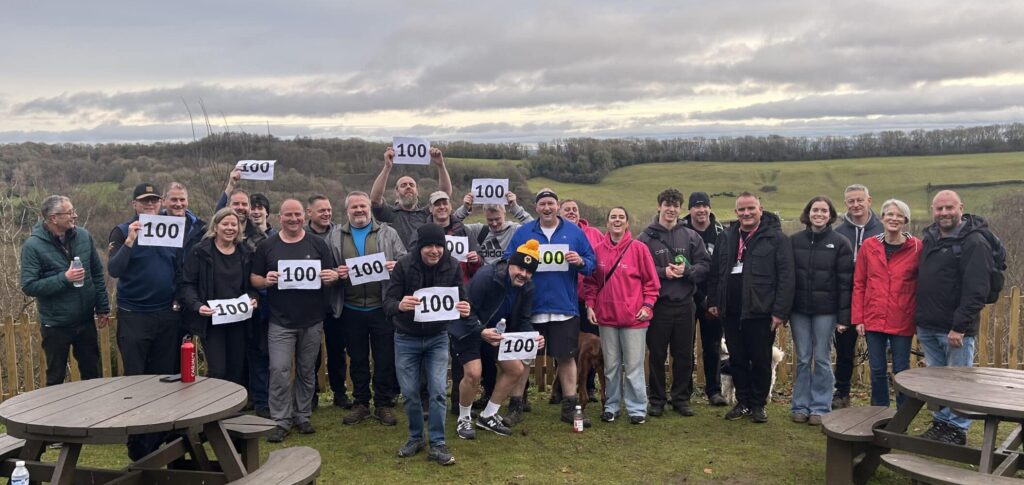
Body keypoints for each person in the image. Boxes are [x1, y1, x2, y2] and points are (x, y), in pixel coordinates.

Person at [505, 189, 597, 427]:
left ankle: (569, 407)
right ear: (536, 208)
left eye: (551, 204)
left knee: (566, 358)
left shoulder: (574, 232)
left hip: (563, 307)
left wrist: (581, 262)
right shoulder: (524, 232)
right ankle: (516, 405)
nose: (547, 208)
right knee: (524, 357)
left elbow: (591, 263)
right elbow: (508, 261)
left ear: (558, 207)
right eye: (542, 204)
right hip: (530, 306)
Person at [250, 199, 339, 443]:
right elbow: (254, 279)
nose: (293, 219)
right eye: (288, 215)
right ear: (280, 217)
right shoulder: (267, 246)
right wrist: (266, 280)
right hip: (280, 321)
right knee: (279, 369)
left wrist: (331, 277)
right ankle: (280, 419)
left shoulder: (318, 244)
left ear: (304, 216)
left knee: (307, 370)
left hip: (312, 320)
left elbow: (330, 275)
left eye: (297, 215)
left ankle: (302, 415)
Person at [385, 223, 471, 465]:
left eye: (439, 246)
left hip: (437, 338)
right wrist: (400, 305)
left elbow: (462, 299)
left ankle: (438, 442)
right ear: (419, 247)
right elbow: (388, 301)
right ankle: (415, 437)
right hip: (406, 337)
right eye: (429, 246)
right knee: (410, 393)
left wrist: (465, 308)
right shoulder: (403, 265)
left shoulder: (452, 265)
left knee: (438, 392)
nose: (434, 251)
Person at [107, 182, 182, 459]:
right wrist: (129, 242)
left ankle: (159, 438)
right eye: (144, 201)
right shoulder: (123, 230)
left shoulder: (170, 228)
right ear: (134, 205)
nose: (150, 205)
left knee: (163, 377)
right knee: (137, 380)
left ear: (161, 203)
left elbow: (179, 267)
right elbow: (114, 269)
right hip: (133, 315)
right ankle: (137, 443)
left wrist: (177, 299)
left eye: (154, 201)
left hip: (165, 314)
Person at [915, 190, 995, 445]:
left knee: (958, 380)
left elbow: (976, 290)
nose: (944, 213)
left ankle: (957, 429)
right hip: (928, 325)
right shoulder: (930, 237)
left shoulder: (974, 242)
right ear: (932, 210)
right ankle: (941, 424)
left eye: (949, 208)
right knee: (938, 382)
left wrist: (959, 327)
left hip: (955, 329)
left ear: (961, 207)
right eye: (939, 209)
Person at [707, 192, 794, 424]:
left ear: (760, 209)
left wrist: (779, 311)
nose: (746, 213)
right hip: (731, 310)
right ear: (736, 212)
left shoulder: (776, 239)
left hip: (761, 310)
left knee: (761, 359)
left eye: (751, 209)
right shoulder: (726, 237)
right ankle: (742, 401)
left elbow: (786, 277)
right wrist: (714, 301)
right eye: (741, 210)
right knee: (737, 358)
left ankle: (758, 403)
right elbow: (715, 271)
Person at [328, 191, 406, 426]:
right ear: (347, 211)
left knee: (384, 358)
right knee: (358, 358)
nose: (359, 211)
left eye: (363, 206)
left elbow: (405, 259)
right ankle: (361, 403)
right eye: (354, 208)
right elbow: (327, 268)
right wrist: (336, 273)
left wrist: (397, 265)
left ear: (369, 209)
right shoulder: (334, 236)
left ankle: (383, 404)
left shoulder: (388, 232)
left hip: (381, 307)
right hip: (351, 308)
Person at [451, 191, 533, 408]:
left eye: (498, 219)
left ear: (504, 214)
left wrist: (516, 207)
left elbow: (533, 226)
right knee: (478, 364)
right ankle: (466, 410)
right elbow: (453, 225)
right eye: (490, 220)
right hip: (483, 289)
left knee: (506, 361)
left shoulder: (515, 230)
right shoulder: (479, 229)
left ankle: (493, 408)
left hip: (506, 292)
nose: (495, 223)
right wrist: (465, 208)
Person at [456, 240, 543, 439]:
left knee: (516, 369)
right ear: (510, 264)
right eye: (520, 267)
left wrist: (533, 337)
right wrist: (481, 331)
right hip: (469, 329)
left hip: (497, 335)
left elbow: (523, 320)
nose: (524, 274)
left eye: (529, 271)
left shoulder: (528, 287)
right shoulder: (486, 276)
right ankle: (464, 418)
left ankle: (488, 415)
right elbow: (465, 309)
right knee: (474, 373)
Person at [637, 189, 711, 417]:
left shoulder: (690, 236)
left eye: (675, 205)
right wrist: (662, 272)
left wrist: (688, 270)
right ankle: (657, 399)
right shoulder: (645, 238)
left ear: (680, 209)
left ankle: (680, 398)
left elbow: (705, 265)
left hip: (685, 305)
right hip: (658, 306)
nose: (671, 209)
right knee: (657, 354)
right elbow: (638, 270)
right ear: (659, 206)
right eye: (667, 204)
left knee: (684, 354)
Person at [20, 195, 109, 386]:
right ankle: (54, 416)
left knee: (92, 375)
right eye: (69, 213)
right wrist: (64, 279)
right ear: (53, 218)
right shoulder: (32, 246)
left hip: (85, 321)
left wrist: (102, 307)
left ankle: (93, 415)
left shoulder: (84, 236)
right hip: (55, 324)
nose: (74, 216)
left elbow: (97, 273)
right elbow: (29, 286)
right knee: (55, 378)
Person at [585, 207, 661, 424]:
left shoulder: (639, 249)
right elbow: (591, 283)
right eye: (613, 217)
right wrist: (590, 305)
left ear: (627, 223)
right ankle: (611, 406)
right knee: (610, 366)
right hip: (606, 318)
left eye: (621, 217)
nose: (616, 221)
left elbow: (651, 283)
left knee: (634, 366)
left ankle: (637, 408)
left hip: (634, 319)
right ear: (607, 223)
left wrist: (647, 306)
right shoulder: (598, 250)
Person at [789, 196, 854, 426]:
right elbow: (787, 278)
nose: (819, 214)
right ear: (808, 213)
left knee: (823, 358)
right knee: (804, 358)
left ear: (830, 215)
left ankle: (820, 407)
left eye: (824, 210)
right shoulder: (794, 241)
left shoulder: (840, 243)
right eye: (815, 210)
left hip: (826, 311)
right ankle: (800, 405)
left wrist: (844, 317)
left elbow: (846, 283)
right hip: (799, 310)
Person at [851, 199, 919, 411]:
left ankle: (902, 414)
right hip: (874, 317)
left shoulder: (917, 247)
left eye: (899, 215)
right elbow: (859, 283)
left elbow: (922, 283)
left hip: (903, 317)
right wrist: (858, 318)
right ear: (882, 218)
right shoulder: (869, 246)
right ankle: (878, 411)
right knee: (877, 369)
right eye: (890, 214)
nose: (894, 219)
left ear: (905, 220)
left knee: (901, 369)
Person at [178, 208, 258, 386]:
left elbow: (252, 286)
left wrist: (253, 299)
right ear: (216, 226)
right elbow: (187, 284)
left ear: (239, 228)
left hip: (239, 320)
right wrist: (198, 306)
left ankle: (234, 409)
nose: (229, 228)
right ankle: (216, 409)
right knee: (217, 370)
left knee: (237, 368)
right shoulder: (200, 252)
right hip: (212, 321)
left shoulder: (245, 252)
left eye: (233, 224)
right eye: (225, 224)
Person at [832, 184, 883, 409]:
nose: (856, 205)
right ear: (846, 204)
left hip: (875, 299)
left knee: (878, 352)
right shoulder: (838, 233)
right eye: (851, 201)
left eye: (859, 200)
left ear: (869, 200)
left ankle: (879, 397)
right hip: (845, 299)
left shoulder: (882, 229)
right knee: (844, 350)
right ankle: (842, 392)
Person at [549, 198, 602, 405]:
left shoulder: (594, 234)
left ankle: (588, 387)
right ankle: (560, 388)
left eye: (575, 209)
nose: (572, 212)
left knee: (591, 347)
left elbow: (597, 264)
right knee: (563, 347)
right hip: (563, 300)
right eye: (567, 209)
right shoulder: (554, 234)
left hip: (587, 300)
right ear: (559, 213)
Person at [680, 191, 728, 406]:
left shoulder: (721, 233)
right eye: (696, 206)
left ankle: (714, 391)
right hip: (687, 296)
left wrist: (713, 299)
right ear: (689, 210)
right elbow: (681, 268)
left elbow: (723, 268)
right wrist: (700, 297)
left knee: (712, 347)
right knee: (684, 347)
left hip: (714, 300)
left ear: (709, 208)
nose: (701, 210)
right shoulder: (680, 232)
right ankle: (684, 392)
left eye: (704, 205)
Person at [305, 195, 350, 410]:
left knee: (336, 350)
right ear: (309, 213)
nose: (326, 214)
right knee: (311, 353)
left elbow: (349, 265)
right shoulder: (301, 235)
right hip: (310, 303)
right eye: (321, 210)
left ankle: (339, 393)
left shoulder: (341, 233)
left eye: (329, 209)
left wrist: (339, 275)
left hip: (336, 301)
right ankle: (311, 394)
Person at [370, 146, 453, 246]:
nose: (408, 187)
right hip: (396, 261)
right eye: (403, 185)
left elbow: (444, 194)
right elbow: (375, 199)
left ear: (417, 191)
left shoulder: (426, 214)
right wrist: (387, 167)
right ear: (396, 192)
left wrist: (440, 165)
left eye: (412, 185)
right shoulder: (389, 214)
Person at [246, 192, 275, 417]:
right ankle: (260, 400)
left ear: (267, 211)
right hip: (252, 303)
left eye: (260, 207)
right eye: (252, 207)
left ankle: (274, 398)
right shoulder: (242, 237)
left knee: (274, 354)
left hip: (276, 303)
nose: (256, 211)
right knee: (257, 352)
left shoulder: (278, 236)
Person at [162, 182, 207, 265]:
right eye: (174, 200)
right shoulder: (151, 227)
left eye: (182, 200)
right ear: (163, 201)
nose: (179, 204)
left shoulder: (201, 229)